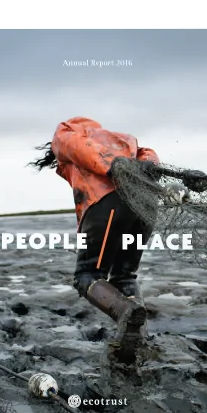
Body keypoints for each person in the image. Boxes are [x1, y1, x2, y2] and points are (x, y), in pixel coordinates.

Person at [28, 116, 163, 362]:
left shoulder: (68, 131)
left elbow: (75, 145)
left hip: (109, 204)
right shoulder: (123, 139)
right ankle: (139, 341)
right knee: (125, 276)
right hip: (146, 205)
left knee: (87, 276)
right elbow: (149, 155)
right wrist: (137, 165)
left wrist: (112, 165)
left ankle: (125, 310)